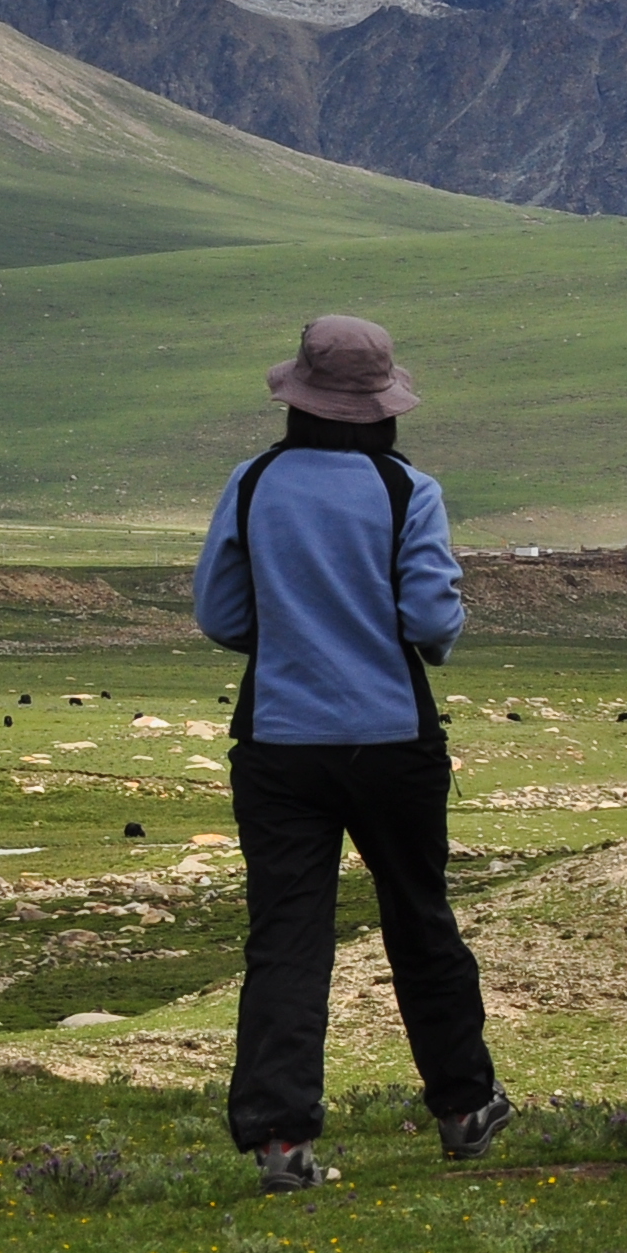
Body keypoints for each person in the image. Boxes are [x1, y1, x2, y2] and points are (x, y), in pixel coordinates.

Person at [197, 314, 513, 1192]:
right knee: (421, 920)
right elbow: (430, 621)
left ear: (297, 396)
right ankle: (463, 1109)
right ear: (381, 406)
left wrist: (293, 635)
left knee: (287, 938)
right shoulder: (410, 490)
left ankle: (280, 1140)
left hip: (279, 742)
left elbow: (221, 615)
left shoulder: (253, 481)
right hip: (393, 740)